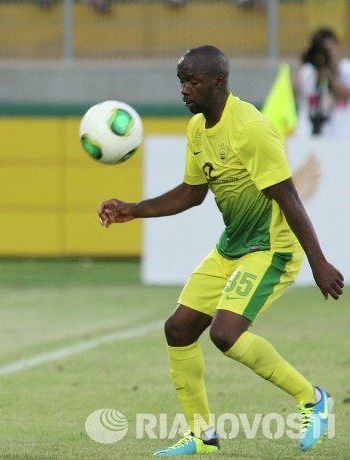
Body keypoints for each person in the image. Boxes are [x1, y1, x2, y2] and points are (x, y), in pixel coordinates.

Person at [98, 45, 343, 456]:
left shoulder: (250, 128)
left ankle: (312, 398)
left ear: (218, 81)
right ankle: (202, 436)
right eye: (181, 81)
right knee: (178, 330)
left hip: (271, 248)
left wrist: (318, 263)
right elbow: (193, 193)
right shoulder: (197, 129)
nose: (184, 90)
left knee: (225, 334)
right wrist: (133, 210)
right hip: (232, 247)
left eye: (191, 81)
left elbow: (289, 198)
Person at [293, 27, 350, 137]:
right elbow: (290, 92)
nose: (326, 54)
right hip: (309, 137)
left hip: (342, 137)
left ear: (337, 46)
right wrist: (306, 60)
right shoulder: (307, 72)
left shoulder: (346, 69)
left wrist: (329, 77)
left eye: (329, 49)